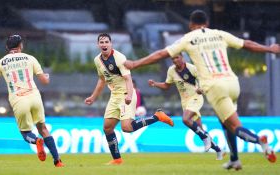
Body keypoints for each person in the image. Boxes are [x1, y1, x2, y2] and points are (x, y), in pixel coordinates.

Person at [124, 10, 280, 170]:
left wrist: (136, 64)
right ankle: (234, 159)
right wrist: (270, 49)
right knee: (224, 121)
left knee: (233, 125)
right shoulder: (219, 34)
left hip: (215, 86)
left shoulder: (188, 39)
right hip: (233, 83)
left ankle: (259, 141)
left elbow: (161, 54)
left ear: (191, 25)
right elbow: (247, 44)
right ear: (207, 24)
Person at [0, 35, 64, 167]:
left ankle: (36, 141)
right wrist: (47, 76)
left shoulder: (1, 62)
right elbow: (44, 81)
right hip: (34, 97)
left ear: (7, 47)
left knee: (26, 132)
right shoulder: (30, 58)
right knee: (43, 128)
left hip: (19, 99)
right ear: (20, 46)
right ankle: (57, 161)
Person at [84, 33, 174, 165]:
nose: (104, 44)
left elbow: (128, 79)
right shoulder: (97, 60)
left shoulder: (119, 58)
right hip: (114, 95)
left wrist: (130, 95)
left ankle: (157, 116)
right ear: (98, 45)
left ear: (111, 44)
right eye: (101, 42)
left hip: (126, 93)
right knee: (107, 128)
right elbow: (102, 79)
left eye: (106, 42)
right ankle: (117, 160)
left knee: (127, 127)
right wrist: (93, 97)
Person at [148, 54, 223, 160]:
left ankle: (206, 137)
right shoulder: (171, 70)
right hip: (185, 102)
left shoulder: (191, 68)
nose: (175, 60)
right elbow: (166, 85)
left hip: (196, 98)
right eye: (173, 59)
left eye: (177, 57)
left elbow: (203, 80)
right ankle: (218, 150)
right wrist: (155, 84)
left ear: (182, 57)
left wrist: (201, 89)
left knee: (185, 119)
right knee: (199, 129)